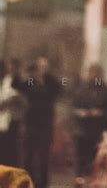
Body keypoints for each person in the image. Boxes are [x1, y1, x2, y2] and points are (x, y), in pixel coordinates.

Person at [14, 57, 61, 188]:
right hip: (31, 121)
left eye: (45, 66)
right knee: (29, 154)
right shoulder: (31, 80)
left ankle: (43, 184)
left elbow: (61, 87)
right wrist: (21, 73)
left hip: (46, 123)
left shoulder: (51, 82)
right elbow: (19, 86)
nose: (42, 69)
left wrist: (55, 76)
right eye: (40, 66)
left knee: (44, 156)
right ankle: (28, 181)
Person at [72, 64, 107, 182]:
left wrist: (100, 113)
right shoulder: (82, 90)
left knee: (96, 161)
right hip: (82, 131)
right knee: (81, 161)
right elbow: (75, 106)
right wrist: (80, 113)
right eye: (93, 73)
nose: (95, 76)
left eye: (97, 74)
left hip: (98, 132)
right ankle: (80, 181)